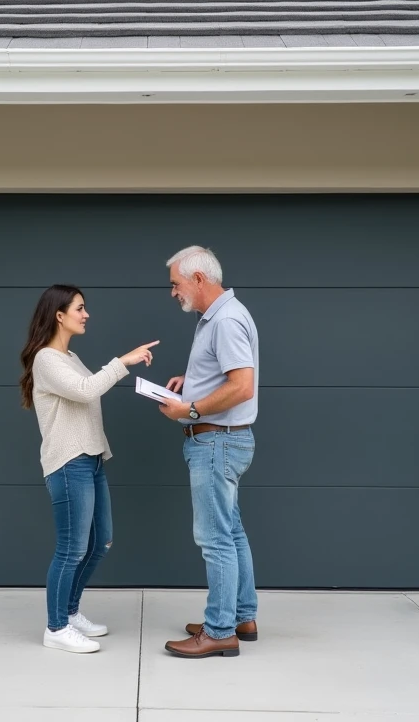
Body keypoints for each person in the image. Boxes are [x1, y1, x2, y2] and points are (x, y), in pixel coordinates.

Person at [19, 284, 158, 654]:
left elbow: (87, 392)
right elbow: (85, 390)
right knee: (71, 549)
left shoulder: (70, 357)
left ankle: (70, 611)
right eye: (79, 308)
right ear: (59, 315)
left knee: (101, 542)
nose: (86, 314)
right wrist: (123, 361)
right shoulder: (46, 359)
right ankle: (56, 627)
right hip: (69, 464)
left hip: (91, 460)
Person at [155, 247, 260, 659]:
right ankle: (241, 617)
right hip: (224, 439)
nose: (173, 292)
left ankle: (219, 631)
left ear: (198, 279)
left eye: (175, 284)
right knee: (231, 532)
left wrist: (191, 409)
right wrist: (193, 381)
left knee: (215, 538)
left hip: (216, 441)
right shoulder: (217, 317)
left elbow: (242, 386)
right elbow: (226, 375)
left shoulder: (226, 320)